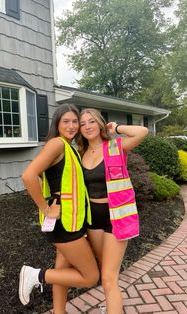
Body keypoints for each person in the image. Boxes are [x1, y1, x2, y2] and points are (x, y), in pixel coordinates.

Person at [19, 104, 99, 313]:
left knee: (62, 272)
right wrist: (46, 209)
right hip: (64, 222)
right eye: (66, 121)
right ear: (57, 123)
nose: (72, 126)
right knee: (91, 277)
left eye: (75, 122)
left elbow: (50, 176)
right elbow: (28, 176)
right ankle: (35, 275)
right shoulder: (57, 144)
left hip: (70, 220)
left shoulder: (69, 147)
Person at [76, 108, 148, 314]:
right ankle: (111, 304)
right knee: (106, 271)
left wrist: (116, 128)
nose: (87, 126)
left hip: (116, 216)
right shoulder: (80, 153)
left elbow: (142, 132)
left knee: (108, 278)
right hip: (92, 218)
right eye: (83, 123)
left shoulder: (116, 146)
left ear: (100, 124)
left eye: (92, 121)